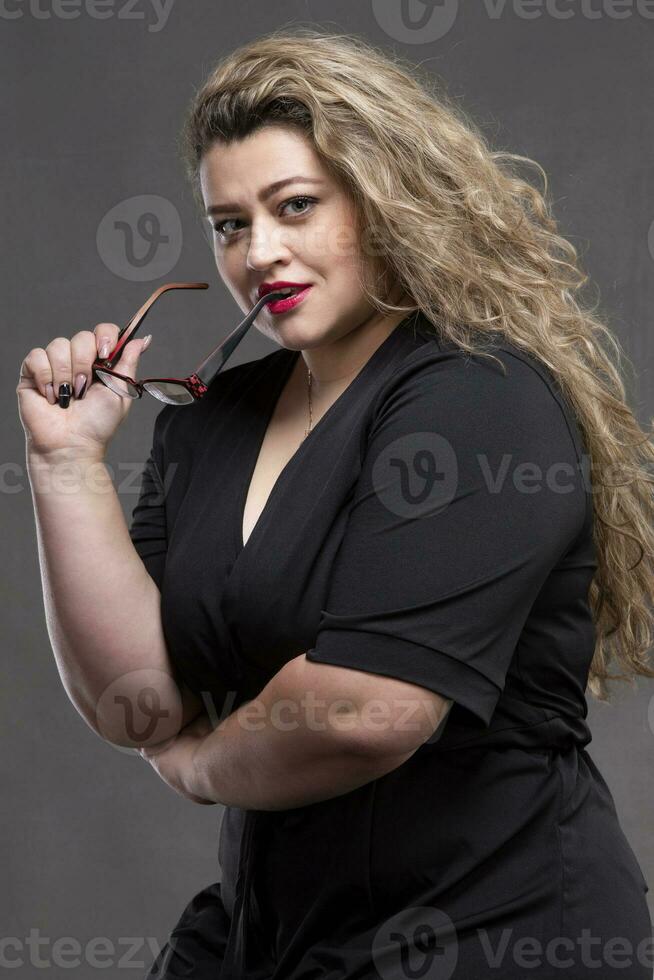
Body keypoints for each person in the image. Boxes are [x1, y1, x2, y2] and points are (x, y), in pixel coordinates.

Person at [17, 27, 654, 980]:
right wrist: (65, 464)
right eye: (231, 224)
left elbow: (365, 710)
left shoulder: (477, 397)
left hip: (492, 933)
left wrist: (201, 768)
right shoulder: (213, 421)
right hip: (274, 934)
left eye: (296, 206)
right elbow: (138, 702)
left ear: (385, 198)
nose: (259, 252)